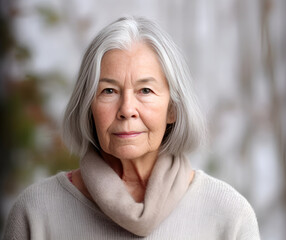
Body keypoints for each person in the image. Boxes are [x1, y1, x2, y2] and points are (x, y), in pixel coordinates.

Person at [2, 16, 260, 239]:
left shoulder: (229, 215)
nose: (127, 109)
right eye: (109, 91)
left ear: (172, 109)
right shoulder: (35, 213)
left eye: (145, 90)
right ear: (88, 107)